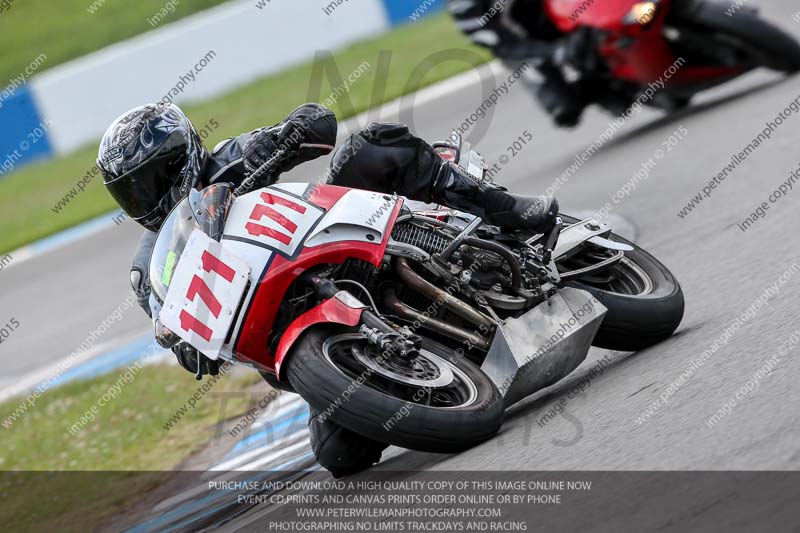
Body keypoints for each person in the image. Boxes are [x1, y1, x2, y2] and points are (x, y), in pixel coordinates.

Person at [97, 102, 559, 476]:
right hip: (285, 331)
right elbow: (178, 329)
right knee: (339, 455)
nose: (146, 196)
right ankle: (409, 372)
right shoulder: (151, 264)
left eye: (153, 178)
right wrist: (186, 345)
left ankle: (502, 211)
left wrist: (287, 135)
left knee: (372, 145)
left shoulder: (229, 158)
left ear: (185, 155)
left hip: (325, 243)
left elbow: (321, 122)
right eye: (130, 191)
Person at [447, 0, 625, 126]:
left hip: (567, 14)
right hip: (524, 44)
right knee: (564, 110)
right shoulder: (462, 4)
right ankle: (596, 86)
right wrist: (555, 51)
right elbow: (497, 42)